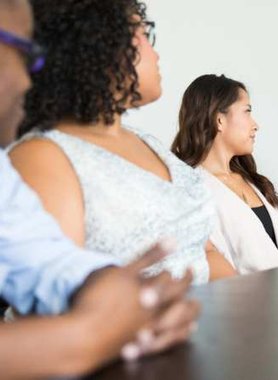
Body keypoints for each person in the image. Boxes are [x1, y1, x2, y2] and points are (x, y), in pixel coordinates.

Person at [0, 0, 199, 377]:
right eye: (25, 52)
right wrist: (87, 335)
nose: (30, 79)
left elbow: (47, 262)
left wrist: (122, 295)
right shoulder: (42, 155)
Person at [9, 0, 235, 282]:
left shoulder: (147, 142)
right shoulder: (43, 156)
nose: (156, 54)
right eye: (144, 33)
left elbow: (204, 252)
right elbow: (59, 306)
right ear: (100, 45)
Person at [171, 74, 278, 274]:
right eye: (247, 111)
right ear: (219, 120)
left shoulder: (255, 182)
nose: (255, 125)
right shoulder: (189, 191)